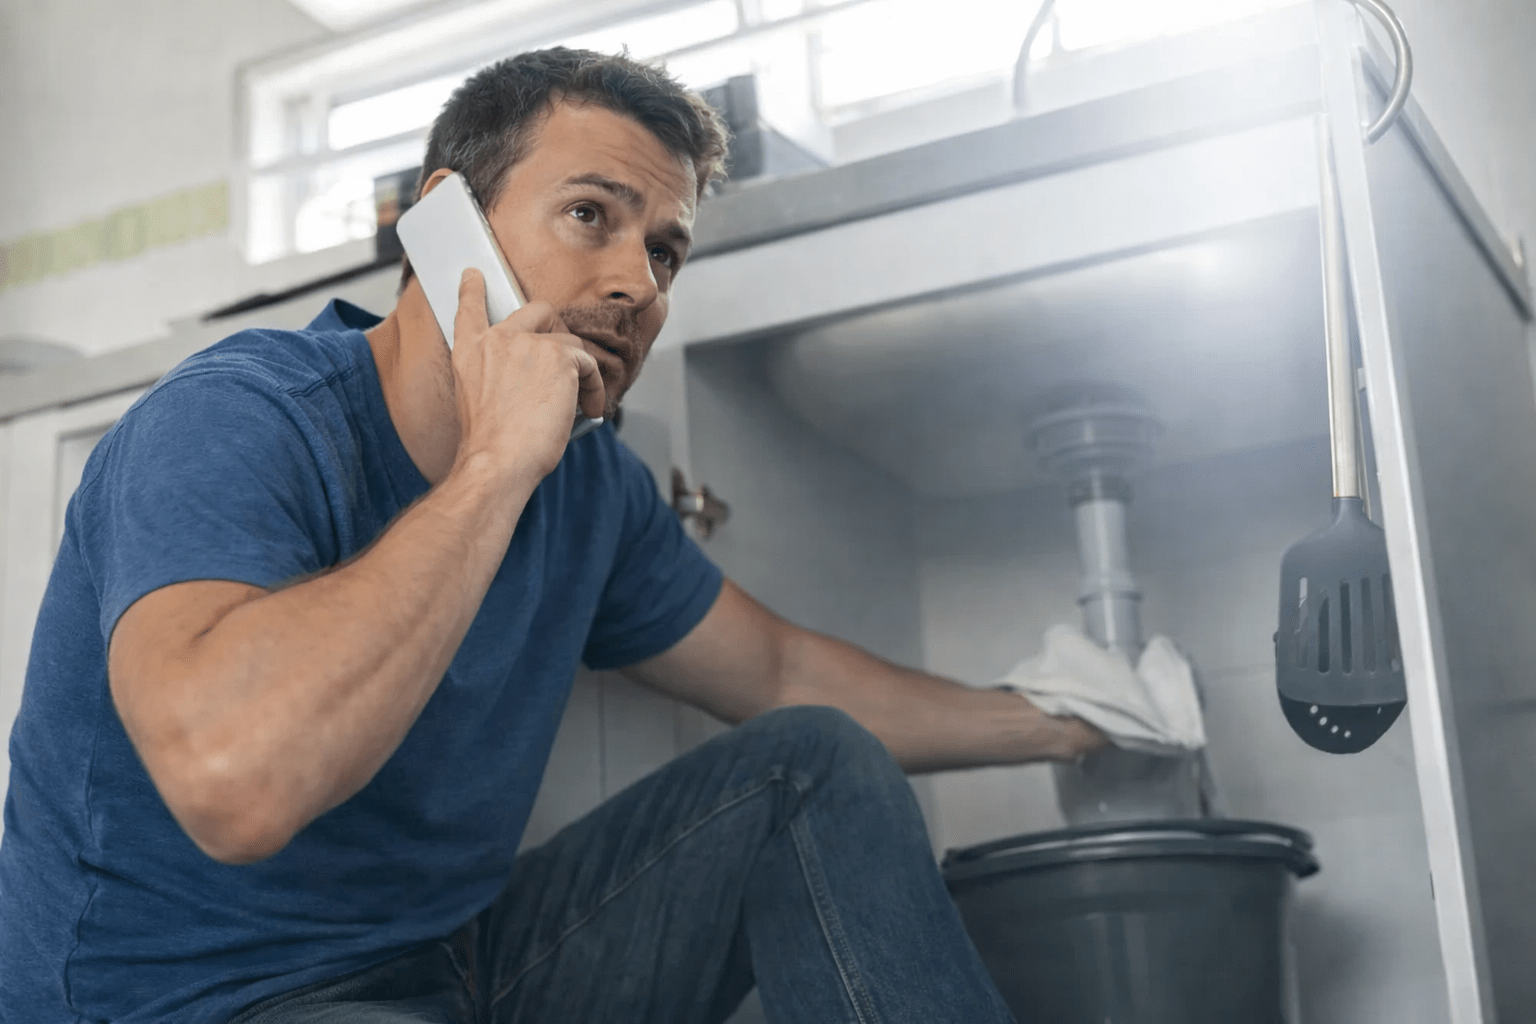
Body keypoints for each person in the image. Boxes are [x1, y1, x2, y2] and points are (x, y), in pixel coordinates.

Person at [0, 47, 1104, 1024]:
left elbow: (779, 669)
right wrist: (495, 463)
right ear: (444, 224)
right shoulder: (234, 418)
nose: (635, 282)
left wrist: (1066, 724)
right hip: (196, 1000)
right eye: (590, 215)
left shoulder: (592, 488)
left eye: (665, 253)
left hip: (459, 969)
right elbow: (235, 784)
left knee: (813, 766)